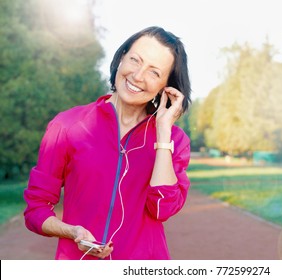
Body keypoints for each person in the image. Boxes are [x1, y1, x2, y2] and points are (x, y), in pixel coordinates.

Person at [23, 26, 192, 260]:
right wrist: (72, 232)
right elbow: (36, 210)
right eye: (135, 60)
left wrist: (163, 133)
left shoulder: (174, 140)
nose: (138, 75)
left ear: (166, 87)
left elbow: (163, 208)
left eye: (154, 72)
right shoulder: (67, 125)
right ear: (121, 58)